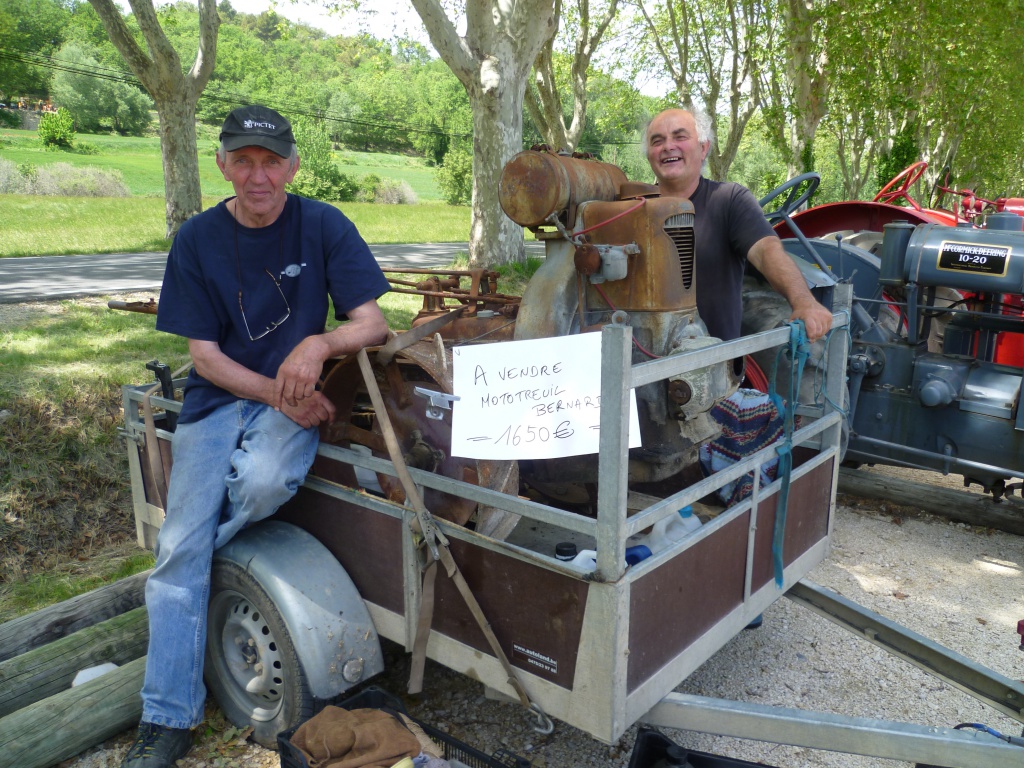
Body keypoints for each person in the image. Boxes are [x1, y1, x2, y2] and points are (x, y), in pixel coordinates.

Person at [120, 105, 390, 768]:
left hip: (287, 405)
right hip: (222, 402)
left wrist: (318, 343)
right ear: (223, 165)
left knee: (254, 487)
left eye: (272, 161)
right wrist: (279, 392)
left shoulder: (323, 224)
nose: (259, 175)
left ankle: (187, 572)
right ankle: (168, 718)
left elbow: (374, 324)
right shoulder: (197, 239)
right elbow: (206, 359)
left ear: (293, 166)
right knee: (179, 547)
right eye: (244, 160)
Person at [644, 108, 833, 343]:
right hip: (642, 362)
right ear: (649, 154)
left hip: (710, 364)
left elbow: (766, 252)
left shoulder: (728, 199)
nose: (668, 146)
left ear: (703, 148)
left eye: (680, 137)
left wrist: (804, 301)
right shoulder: (631, 210)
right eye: (657, 141)